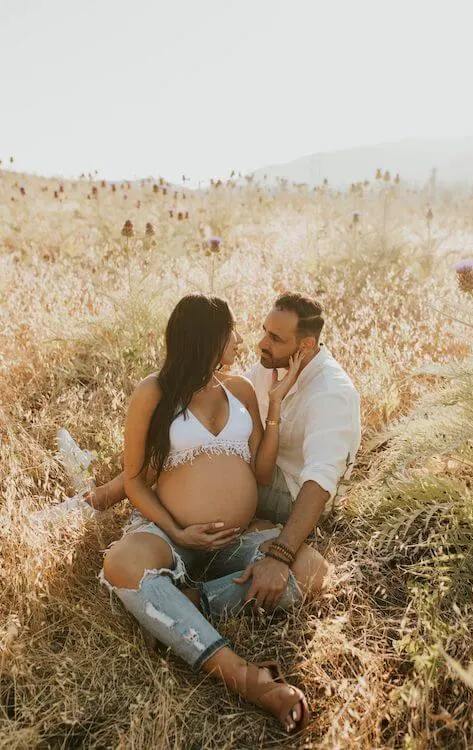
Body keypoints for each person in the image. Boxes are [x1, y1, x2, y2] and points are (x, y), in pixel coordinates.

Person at [99, 293, 324, 734]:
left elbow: (260, 473)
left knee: (312, 568)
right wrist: (176, 527)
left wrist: (274, 404)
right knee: (121, 562)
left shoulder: (239, 390)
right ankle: (247, 678)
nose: (241, 340)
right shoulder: (154, 392)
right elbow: (133, 481)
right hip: (168, 534)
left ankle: (195, 603)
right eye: (233, 331)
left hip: (234, 541)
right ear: (209, 338)